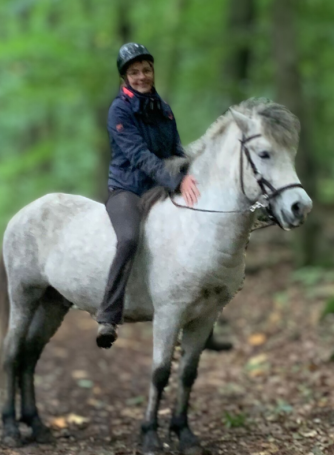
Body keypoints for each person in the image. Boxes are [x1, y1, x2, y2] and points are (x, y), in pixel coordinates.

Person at [95, 43, 200, 349]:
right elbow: (140, 155)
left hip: (160, 188)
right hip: (127, 189)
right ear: (125, 77)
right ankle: (108, 316)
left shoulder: (164, 109)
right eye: (134, 72)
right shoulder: (119, 109)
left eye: (146, 70)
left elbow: (176, 152)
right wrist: (176, 181)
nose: (142, 76)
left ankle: (200, 317)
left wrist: (191, 176)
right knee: (128, 238)